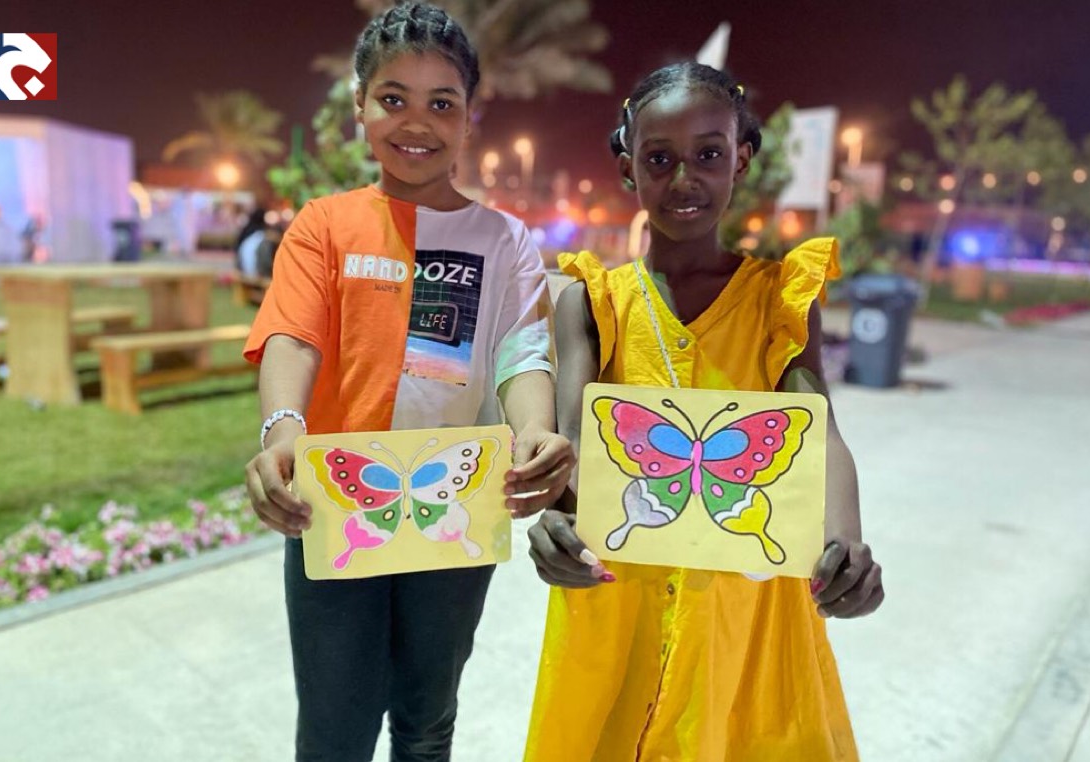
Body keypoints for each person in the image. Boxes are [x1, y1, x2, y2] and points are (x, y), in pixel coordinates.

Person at [524, 62, 885, 761]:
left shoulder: (778, 300)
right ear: (628, 167)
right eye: (659, 158)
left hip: (743, 608)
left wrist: (847, 544)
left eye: (708, 155)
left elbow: (819, 432)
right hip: (618, 597)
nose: (684, 178)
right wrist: (556, 527)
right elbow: (577, 447)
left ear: (740, 160)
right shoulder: (593, 302)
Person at [241, 4, 573, 761]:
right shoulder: (323, 226)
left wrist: (534, 432)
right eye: (394, 98)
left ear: (469, 117)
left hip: (456, 502)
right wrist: (282, 431)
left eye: (442, 102)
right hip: (335, 501)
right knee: (334, 731)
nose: (417, 122)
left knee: (427, 722)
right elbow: (293, 335)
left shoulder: (505, 240)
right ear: (360, 104)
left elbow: (523, 355)